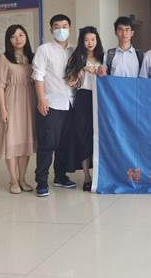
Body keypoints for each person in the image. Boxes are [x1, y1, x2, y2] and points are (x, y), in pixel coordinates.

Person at [32, 14, 76, 197]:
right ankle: (41, 182)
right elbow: (38, 75)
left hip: (70, 103)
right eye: (57, 27)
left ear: (70, 28)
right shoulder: (44, 50)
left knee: (65, 143)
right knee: (47, 144)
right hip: (51, 103)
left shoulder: (74, 50)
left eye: (64, 26)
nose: (61, 30)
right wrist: (41, 99)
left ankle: (60, 176)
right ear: (51, 30)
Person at [0, 25, 36, 194]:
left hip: (30, 102)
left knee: (26, 142)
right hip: (11, 103)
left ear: (26, 37)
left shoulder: (32, 57)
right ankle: (13, 179)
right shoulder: (4, 59)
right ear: (8, 40)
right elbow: (0, 86)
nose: (18, 39)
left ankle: (22, 179)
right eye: (13, 36)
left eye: (21, 35)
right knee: (11, 141)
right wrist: (3, 109)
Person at [65, 27, 104, 192]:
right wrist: (82, 70)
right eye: (86, 40)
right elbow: (69, 81)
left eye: (93, 39)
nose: (90, 43)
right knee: (83, 137)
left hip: (100, 99)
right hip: (83, 98)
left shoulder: (103, 57)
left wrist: (102, 72)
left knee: (99, 137)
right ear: (82, 41)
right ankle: (87, 176)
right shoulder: (77, 57)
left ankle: (99, 174)